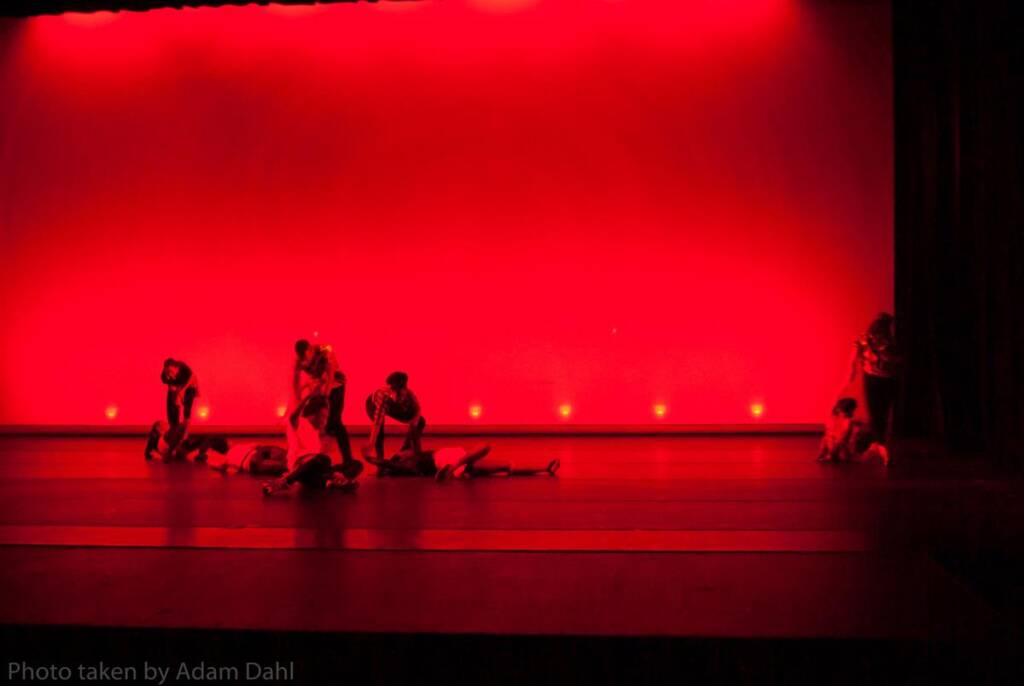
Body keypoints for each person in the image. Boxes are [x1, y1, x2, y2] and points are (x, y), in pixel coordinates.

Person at [263, 395, 363, 495]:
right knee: (324, 459)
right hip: (300, 466)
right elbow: (293, 416)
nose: (325, 421)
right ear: (313, 414)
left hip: (312, 471)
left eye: (326, 418)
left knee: (357, 465)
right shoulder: (299, 423)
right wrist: (307, 397)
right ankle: (286, 482)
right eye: (323, 416)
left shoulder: (316, 434)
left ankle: (331, 481)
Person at [292, 339, 357, 471]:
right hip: (320, 386)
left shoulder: (323, 353)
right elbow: (295, 380)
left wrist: (325, 397)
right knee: (314, 420)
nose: (306, 359)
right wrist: (298, 399)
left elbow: (331, 375)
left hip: (336, 385)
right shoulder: (299, 360)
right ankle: (315, 457)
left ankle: (348, 459)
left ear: (310, 349)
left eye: (307, 354)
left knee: (336, 421)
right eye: (303, 357)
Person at [849, 313, 901, 463]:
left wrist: (851, 374)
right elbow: (897, 361)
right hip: (887, 380)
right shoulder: (888, 342)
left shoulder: (868, 339)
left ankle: (880, 446)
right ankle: (878, 444)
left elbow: (853, 361)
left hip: (875, 379)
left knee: (877, 414)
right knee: (881, 414)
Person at [363, 444, 560, 480]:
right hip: (453, 463)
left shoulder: (416, 455)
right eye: (402, 453)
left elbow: (412, 437)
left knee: (505, 467)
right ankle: (456, 469)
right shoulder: (409, 463)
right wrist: (370, 459)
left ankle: (544, 469)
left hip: (458, 463)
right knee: (485, 448)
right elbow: (390, 464)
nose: (405, 451)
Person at [365, 371, 425, 463]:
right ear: (391, 391)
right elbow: (377, 423)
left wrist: (413, 425)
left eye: (401, 395)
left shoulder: (409, 394)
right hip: (373, 405)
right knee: (380, 429)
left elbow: (417, 410)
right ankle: (380, 457)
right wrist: (370, 445)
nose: (399, 397)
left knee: (420, 421)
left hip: (393, 407)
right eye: (396, 394)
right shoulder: (383, 396)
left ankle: (406, 447)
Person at [207, 443, 289, 476]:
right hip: (257, 452)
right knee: (283, 454)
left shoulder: (227, 460)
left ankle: (289, 466)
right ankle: (292, 457)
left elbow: (231, 470)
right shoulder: (237, 446)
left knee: (280, 466)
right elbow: (256, 445)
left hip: (251, 461)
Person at [161, 358, 199, 429]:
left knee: (187, 406)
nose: (170, 373)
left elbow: (192, 377)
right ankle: (174, 424)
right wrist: (176, 397)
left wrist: (182, 391)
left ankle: (186, 424)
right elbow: (171, 387)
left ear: (176, 368)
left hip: (189, 385)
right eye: (167, 372)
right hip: (178, 386)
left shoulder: (183, 367)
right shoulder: (165, 374)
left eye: (171, 371)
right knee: (172, 404)